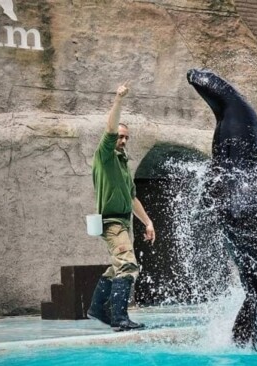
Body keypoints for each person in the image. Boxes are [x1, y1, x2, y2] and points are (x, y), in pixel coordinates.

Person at [87, 81, 156, 332]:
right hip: (111, 221)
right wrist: (118, 99)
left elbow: (133, 199)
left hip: (124, 222)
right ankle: (119, 318)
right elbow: (109, 128)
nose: (123, 140)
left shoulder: (123, 164)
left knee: (117, 265)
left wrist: (147, 222)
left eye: (126, 137)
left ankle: (96, 308)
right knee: (127, 265)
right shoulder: (104, 156)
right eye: (120, 136)